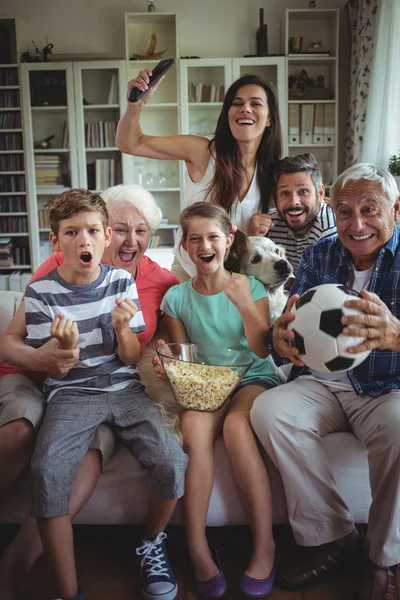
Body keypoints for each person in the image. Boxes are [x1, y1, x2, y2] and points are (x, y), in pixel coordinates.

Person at [0, 184, 182, 600]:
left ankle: (151, 541)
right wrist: (62, 346)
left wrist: (122, 328)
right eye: (71, 232)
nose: (84, 240)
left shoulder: (122, 282)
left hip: (125, 389)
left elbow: (132, 353)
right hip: (72, 394)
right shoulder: (42, 292)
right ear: (56, 240)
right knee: (47, 473)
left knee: (172, 461)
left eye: (93, 231)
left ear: (103, 238)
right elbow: (58, 365)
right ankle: (69, 590)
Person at [250, 164, 400, 599]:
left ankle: (384, 557)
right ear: (332, 209)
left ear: (396, 208)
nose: (356, 225)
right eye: (345, 211)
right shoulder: (321, 253)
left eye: (370, 210)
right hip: (321, 384)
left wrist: (396, 335)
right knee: (270, 411)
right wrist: (279, 339)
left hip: (388, 386)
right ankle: (333, 536)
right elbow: (289, 326)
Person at [154, 202, 283, 598]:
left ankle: (265, 546)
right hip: (209, 381)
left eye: (213, 237)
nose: (204, 245)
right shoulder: (176, 298)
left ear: (228, 242)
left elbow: (264, 351)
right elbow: (183, 355)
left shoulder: (252, 286)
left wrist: (244, 301)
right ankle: (197, 549)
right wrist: (168, 362)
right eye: (195, 239)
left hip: (252, 376)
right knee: (192, 424)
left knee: (236, 427)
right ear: (185, 247)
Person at [116, 71, 283, 281]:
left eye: (256, 104)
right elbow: (129, 142)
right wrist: (135, 105)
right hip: (190, 275)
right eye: (237, 103)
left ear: (269, 119)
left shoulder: (272, 170)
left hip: (240, 280)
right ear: (227, 114)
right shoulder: (204, 151)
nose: (245, 109)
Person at [268, 153, 337, 272]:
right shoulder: (271, 224)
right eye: (285, 193)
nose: (294, 202)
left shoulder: (329, 231)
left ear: (320, 194)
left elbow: (323, 287)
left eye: (303, 191)